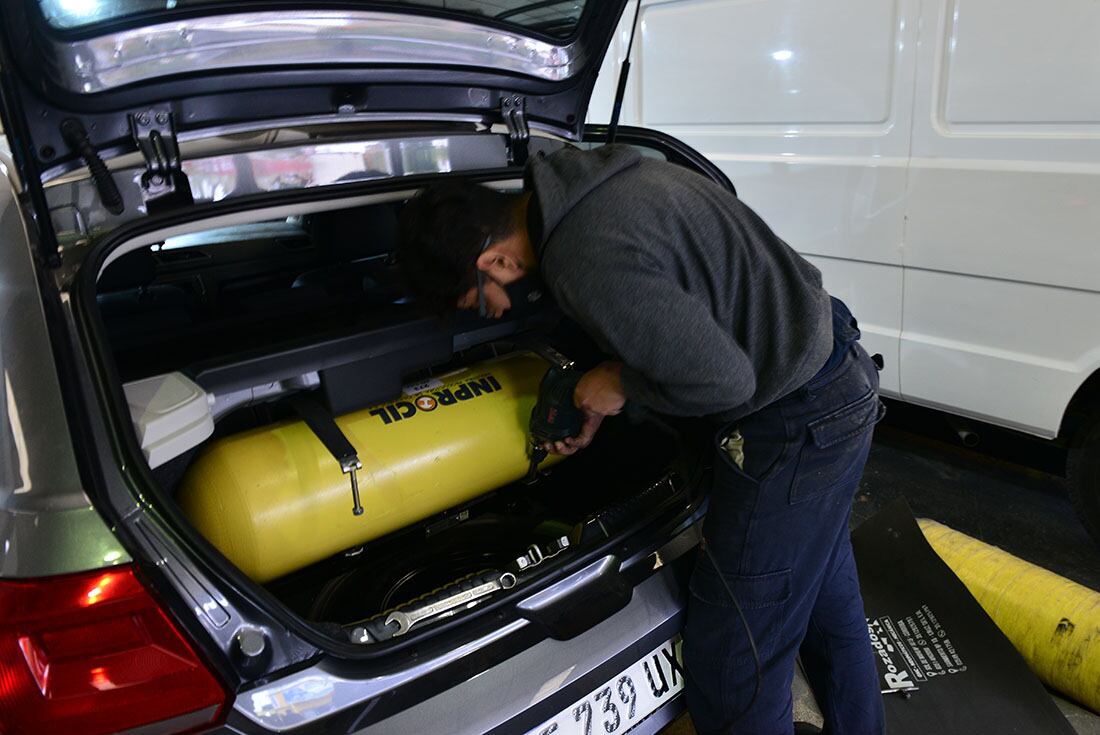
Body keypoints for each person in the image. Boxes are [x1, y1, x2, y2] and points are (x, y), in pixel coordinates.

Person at [396, 144, 886, 735]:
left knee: (735, 663)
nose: (490, 313)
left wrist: (617, 381)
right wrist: (609, 395)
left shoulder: (580, 254)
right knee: (829, 609)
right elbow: (673, 307)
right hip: (834, 373)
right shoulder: (603, 181)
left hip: (794, 421)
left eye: (475, 300)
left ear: (495, 260)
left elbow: (722, 378)